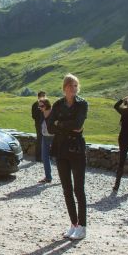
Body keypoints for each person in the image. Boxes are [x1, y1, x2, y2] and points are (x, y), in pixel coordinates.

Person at [46, 74, 88, 240]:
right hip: (61, 149)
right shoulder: (57, 104)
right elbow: (49, 127)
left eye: (75, 86)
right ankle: (74, 224)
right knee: (66, 189)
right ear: (64, 88)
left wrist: (60, 124)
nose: (73, 89)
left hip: (76, 149)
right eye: (70, 86)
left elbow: (78, 125)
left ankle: (83, 226)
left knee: (78, 188)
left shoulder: (82, 104)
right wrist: (65, 126)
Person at [38, 98, 54, 183]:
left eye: (42, 106)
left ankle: (65, 176)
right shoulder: (42, 113)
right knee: (44, 157)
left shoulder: (53, 113)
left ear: (47, 105)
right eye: (39, 106)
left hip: (54, 137)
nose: (40, 107)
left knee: (60, 158)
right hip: (45, 137)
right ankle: (48, 177)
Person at [31, 90, 47, 161]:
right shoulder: (35, 105)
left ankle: (43, 156)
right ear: (39, 96)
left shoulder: (45, 104)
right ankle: (38, 157)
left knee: (45, 139)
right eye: (42, 96)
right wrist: (40, 111)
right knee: (40, 139)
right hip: (38, 124)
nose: (43, 97)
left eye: (44, 96)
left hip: (45, 124)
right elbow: (34, 116)